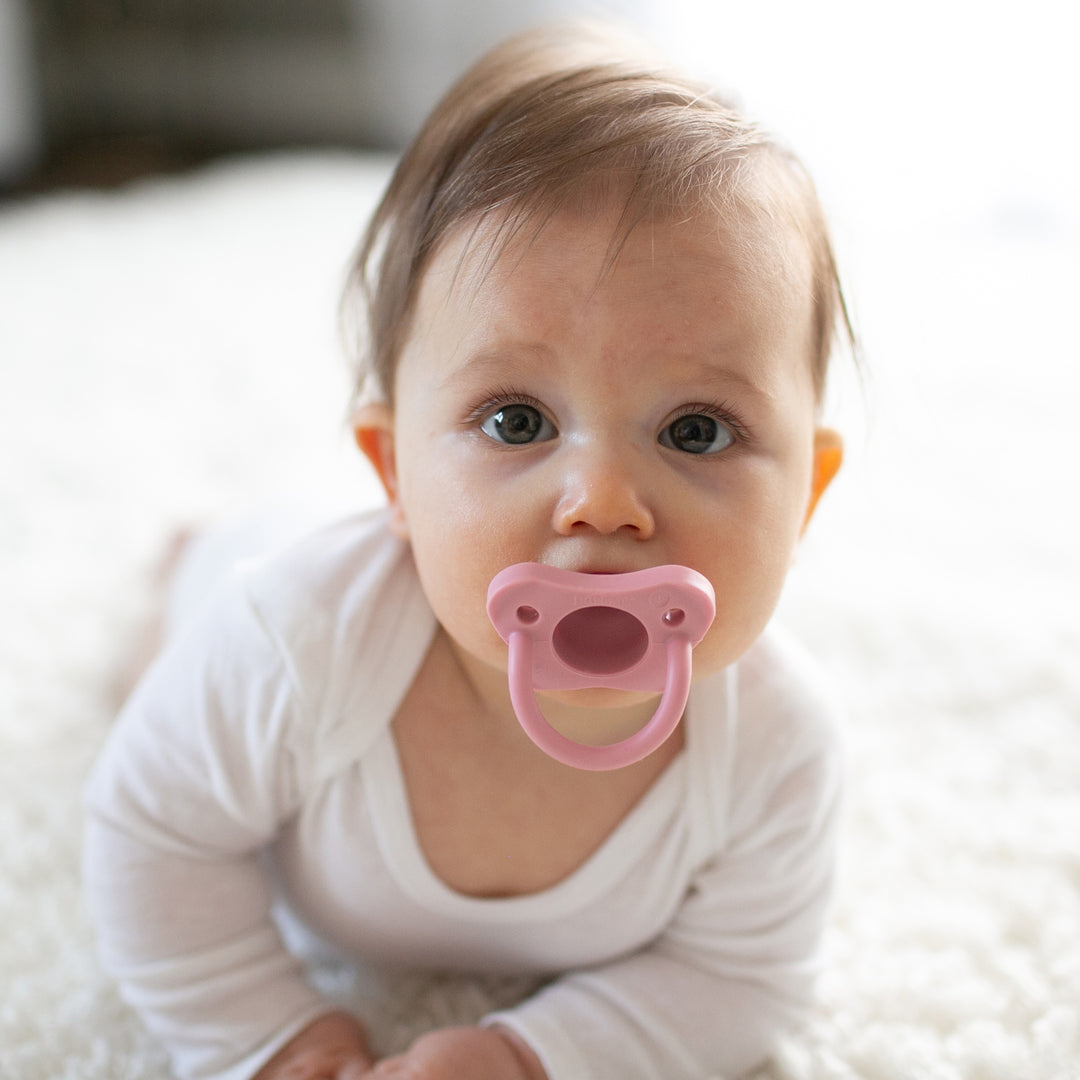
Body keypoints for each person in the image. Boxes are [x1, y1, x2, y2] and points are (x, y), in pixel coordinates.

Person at [84, 21, 851, 1080]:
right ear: (395, 470)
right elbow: (151, 828)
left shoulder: (774, 749)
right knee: (152, 692)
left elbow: (743, 981)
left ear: (805, 496)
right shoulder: (295, 642)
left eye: (696, 431)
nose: (602, 503)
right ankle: (187, 562)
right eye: (517, 422)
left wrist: (532, 1056)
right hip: (256, 576)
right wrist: (268, 1035)